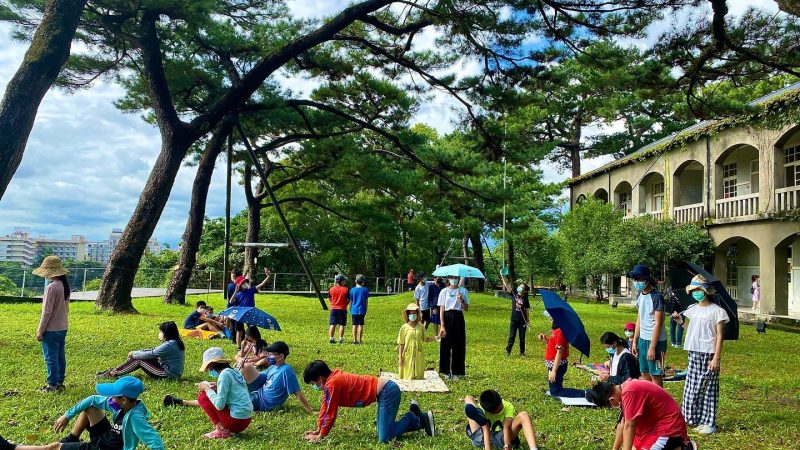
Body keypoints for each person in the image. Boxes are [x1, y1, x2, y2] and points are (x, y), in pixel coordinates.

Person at [301, 360, 435, 443]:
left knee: (385, 438)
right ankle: (414, 414)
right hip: (385, 393)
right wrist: (319, 429)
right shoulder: (331, 380)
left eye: (314, 383)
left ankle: (416, 418)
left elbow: (330, 413)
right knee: (383, 432)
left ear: (320, 378)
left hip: (388, 392)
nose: (315, 386)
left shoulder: (332, 384)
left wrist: (321, 436)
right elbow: (325, 406)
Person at [673, 274, 729, 435]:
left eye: (699, 290)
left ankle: (709, 422)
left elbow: (719, 335)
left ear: (706, 291)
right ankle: (692, 418)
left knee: (708, 388)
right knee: (692, 387)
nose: (697, 293)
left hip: (709, 353)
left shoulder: (717, 311)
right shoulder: (691, 309)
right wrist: (681, 322)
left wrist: (716, 358)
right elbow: (691, 329)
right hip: (693, 351)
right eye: (694, 290)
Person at [163, 347, 253, 439]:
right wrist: (217, 386)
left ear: (211, 365)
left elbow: (219, 405)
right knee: (209, 394)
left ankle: (221, 430)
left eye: (209, 367)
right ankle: (181, 402)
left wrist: (207, 389)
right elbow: (235, 390)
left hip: (236, 422)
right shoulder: (234, 371)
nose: (209, 370)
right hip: (246, 420)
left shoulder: (224, 375)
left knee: (203, 397)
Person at [54, 376, 165, 450]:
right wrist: (67, 416)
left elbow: (155, 441)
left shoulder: (135, 417)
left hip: (103, 448)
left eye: (113, 395)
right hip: (106, 438)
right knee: (90, 407)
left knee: (54, 447)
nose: (110, 398)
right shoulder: (121, 406)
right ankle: (72, 438)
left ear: (124, 399)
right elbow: (93, 399)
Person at [587, 380, 695, 450]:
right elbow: (622, 425)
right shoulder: (623, 390)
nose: (611, 408)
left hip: (667, 427)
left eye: (609, 406)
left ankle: (684, 447)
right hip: (651, 429)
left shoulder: (630, 391)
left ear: (611, 400)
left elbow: (630, 426)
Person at [238, 341, 314, 414]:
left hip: (264, 402)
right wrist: (246, 367)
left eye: (271, 354)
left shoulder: (286, 371)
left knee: (235, 401)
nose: (268, 356)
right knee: (245, 367)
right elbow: (260, 376)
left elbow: (298, 393)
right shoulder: (273, 367)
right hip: (259, 392)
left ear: (281, 356)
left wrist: (310, 410)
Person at [96, 321, 185, 380]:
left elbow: (151, 353)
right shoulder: (173, 342)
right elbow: (152, 350)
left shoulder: (169, 344)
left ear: (166, 333)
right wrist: (135, 352)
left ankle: (112, 373)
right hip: (170, 372)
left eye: (160, 331)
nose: (159, 334)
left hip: (169, 375)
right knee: (139, 356)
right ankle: (115, 371)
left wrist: (134, 354)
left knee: (139, 359)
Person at [33, 256, 70, 392]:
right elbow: (66, 309)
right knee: (60, 355)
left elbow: (46, 312)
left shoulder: (51, 288)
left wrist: (40, 330)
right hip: (63, 327)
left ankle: (51, 385)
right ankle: (59, 382)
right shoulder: (64, 286)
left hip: (51, 329)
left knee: (51, 358)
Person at [628, 264, 667, 387]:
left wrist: (652, 347)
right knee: (644, 373)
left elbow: (659, 323)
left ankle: (660, 403)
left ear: (646, 280)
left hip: (656, 342)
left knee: (655, 374)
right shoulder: (641, 295)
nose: (637, 282)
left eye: (639, 279)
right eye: (635, 280)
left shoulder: (657, 297)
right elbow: (640, 318)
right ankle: (648, 398)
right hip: (643, 339)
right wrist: (635, 341)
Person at [463, 390, 539, 450]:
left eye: (501, 406)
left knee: (524, 415)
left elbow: (507, 426)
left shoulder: (508, 406)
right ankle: (473, 409)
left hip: (500, 437)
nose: (501, 409)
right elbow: (485, 428)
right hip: (481, 438)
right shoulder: (482, 408)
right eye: (498, 410)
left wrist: (507, 444)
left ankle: (534, 448)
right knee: (469, 402)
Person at [539, 311, 586, 398]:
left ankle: (584, 393)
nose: (549, 320)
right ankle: (583, 393)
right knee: (554, 389)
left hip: (556, 365)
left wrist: (554, 371)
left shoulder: (560, 332)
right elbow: (553, 345)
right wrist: (545, 340)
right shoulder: (556, 331)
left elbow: (559, 352)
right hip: (553, 364)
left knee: (556, 392)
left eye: (551, 318)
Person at [438, 275, 469, 380]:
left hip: (458, 317)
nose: (453, 280)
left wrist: (461, 300)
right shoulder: (444, 291)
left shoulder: (463, 291)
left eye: (455, 277)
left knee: (458, 345)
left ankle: (457, 371)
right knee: (445, 344)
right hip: (447, 317)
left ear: (459, 278)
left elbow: (466, 308)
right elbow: (441, 308)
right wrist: (442, 325)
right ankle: (446, 371)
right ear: (448, 279)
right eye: (451, 277)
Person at [398, 303, 438, 380]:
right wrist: (400, 358)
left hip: (418, 353)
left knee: (419, 376)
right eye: (411, 313)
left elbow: (426, 339)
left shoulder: (421, 327)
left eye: (414, 313)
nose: (412, 315)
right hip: (407, 354)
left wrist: (437, 337)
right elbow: (401, 343)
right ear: (408, 314)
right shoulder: (403, 328)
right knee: (407, 376)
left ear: (417, 314)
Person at [500, 273, 530, 357]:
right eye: (519, 286)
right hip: (514, 319)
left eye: (522, 287)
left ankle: (522, 352)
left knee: (522, 337)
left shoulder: (525, 298)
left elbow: (527, 310)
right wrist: (503, 276)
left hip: (522, 321)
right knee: (512, 336)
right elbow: (506, 285)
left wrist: (527, 321)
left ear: (524, 291)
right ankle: (508, 351)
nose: (519, 287)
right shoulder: (514, 294)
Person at [328, 274, 350, 344]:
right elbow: (348, 300)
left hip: (333, 308)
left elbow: (329, 298)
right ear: (342, 281)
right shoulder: (346, 289)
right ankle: (340, 339)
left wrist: (333, 303)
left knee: (332, 324)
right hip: (342, 309)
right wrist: (345, 304)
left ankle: (331, 338)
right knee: (342, 324)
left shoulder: (331, 289)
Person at [350, 274, 369, 344]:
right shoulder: (365, 290)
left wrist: (350, 309)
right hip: (362, 310)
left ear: (355, 281)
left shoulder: (352, 290)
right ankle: (360, 340)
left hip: (354, 310)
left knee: (354, 324)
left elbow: (351, 301)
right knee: (360, 324)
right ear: (363, 282)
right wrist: (366, 309)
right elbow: (366, 301)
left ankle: (354, 340)